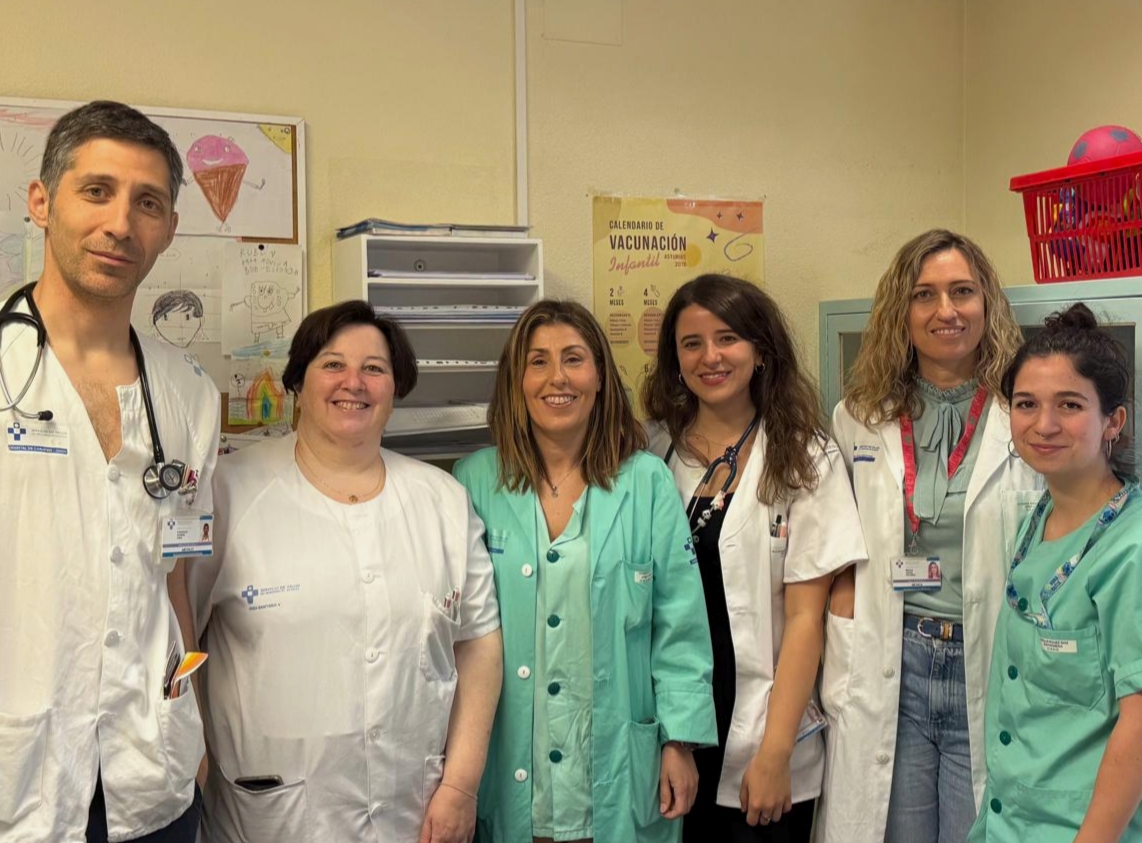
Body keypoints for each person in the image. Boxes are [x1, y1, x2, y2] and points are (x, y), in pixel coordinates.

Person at [188, 301, 503, 843]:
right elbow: (179, 637)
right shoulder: (228, 492)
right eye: (332, 364)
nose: (353, 383)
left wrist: (460, 786)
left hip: (413, 813)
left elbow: (478, 644)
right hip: (270, 817)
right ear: (298, 381)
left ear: (395, 389)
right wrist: (190, 761)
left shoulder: (443, 500)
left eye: (374, 368)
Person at [0, 101, 220, 841]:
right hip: (19, 777)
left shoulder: (190, 392)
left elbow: (174, 575)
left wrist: (191, 723)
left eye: (147, 203)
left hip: (151, 774)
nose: (121, 223)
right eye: (97, 191)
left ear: (169, 228)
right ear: (41, 201)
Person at [453, 299, 716, 843]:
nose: (558, 378)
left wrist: (679, 741)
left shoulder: (646, 482)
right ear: (516, 381)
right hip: (511, 760)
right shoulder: (473, 481)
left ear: (599, 376)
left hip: (619, 763)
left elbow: (680, 624)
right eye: (538, 361)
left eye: (573, 359)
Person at [817, 230, 1042, 843]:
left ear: (987, 303)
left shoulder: (1024, 411)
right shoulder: (858, 415)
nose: (946, 310)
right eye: (925, 295)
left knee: (978, 828)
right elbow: (834, 535)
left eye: (962, 291)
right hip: (894, 662)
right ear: (903, 310)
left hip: (989, 658)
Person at [641, 275, 866, 842]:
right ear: (675, 359)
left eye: (728, 338)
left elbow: (806, 619)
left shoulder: (804, 458)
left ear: (761, 351)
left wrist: (775, 753)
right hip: (673, 729)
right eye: (692, 343)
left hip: (760, 731)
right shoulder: (653, 453)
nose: (710, 357)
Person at [968, 304, 1141, 843]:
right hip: (1008, 819)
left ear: (1114, 421)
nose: (1043, 425)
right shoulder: (1040, 517)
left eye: (1069, 404)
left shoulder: (1130, 549)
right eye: (1026, 404)